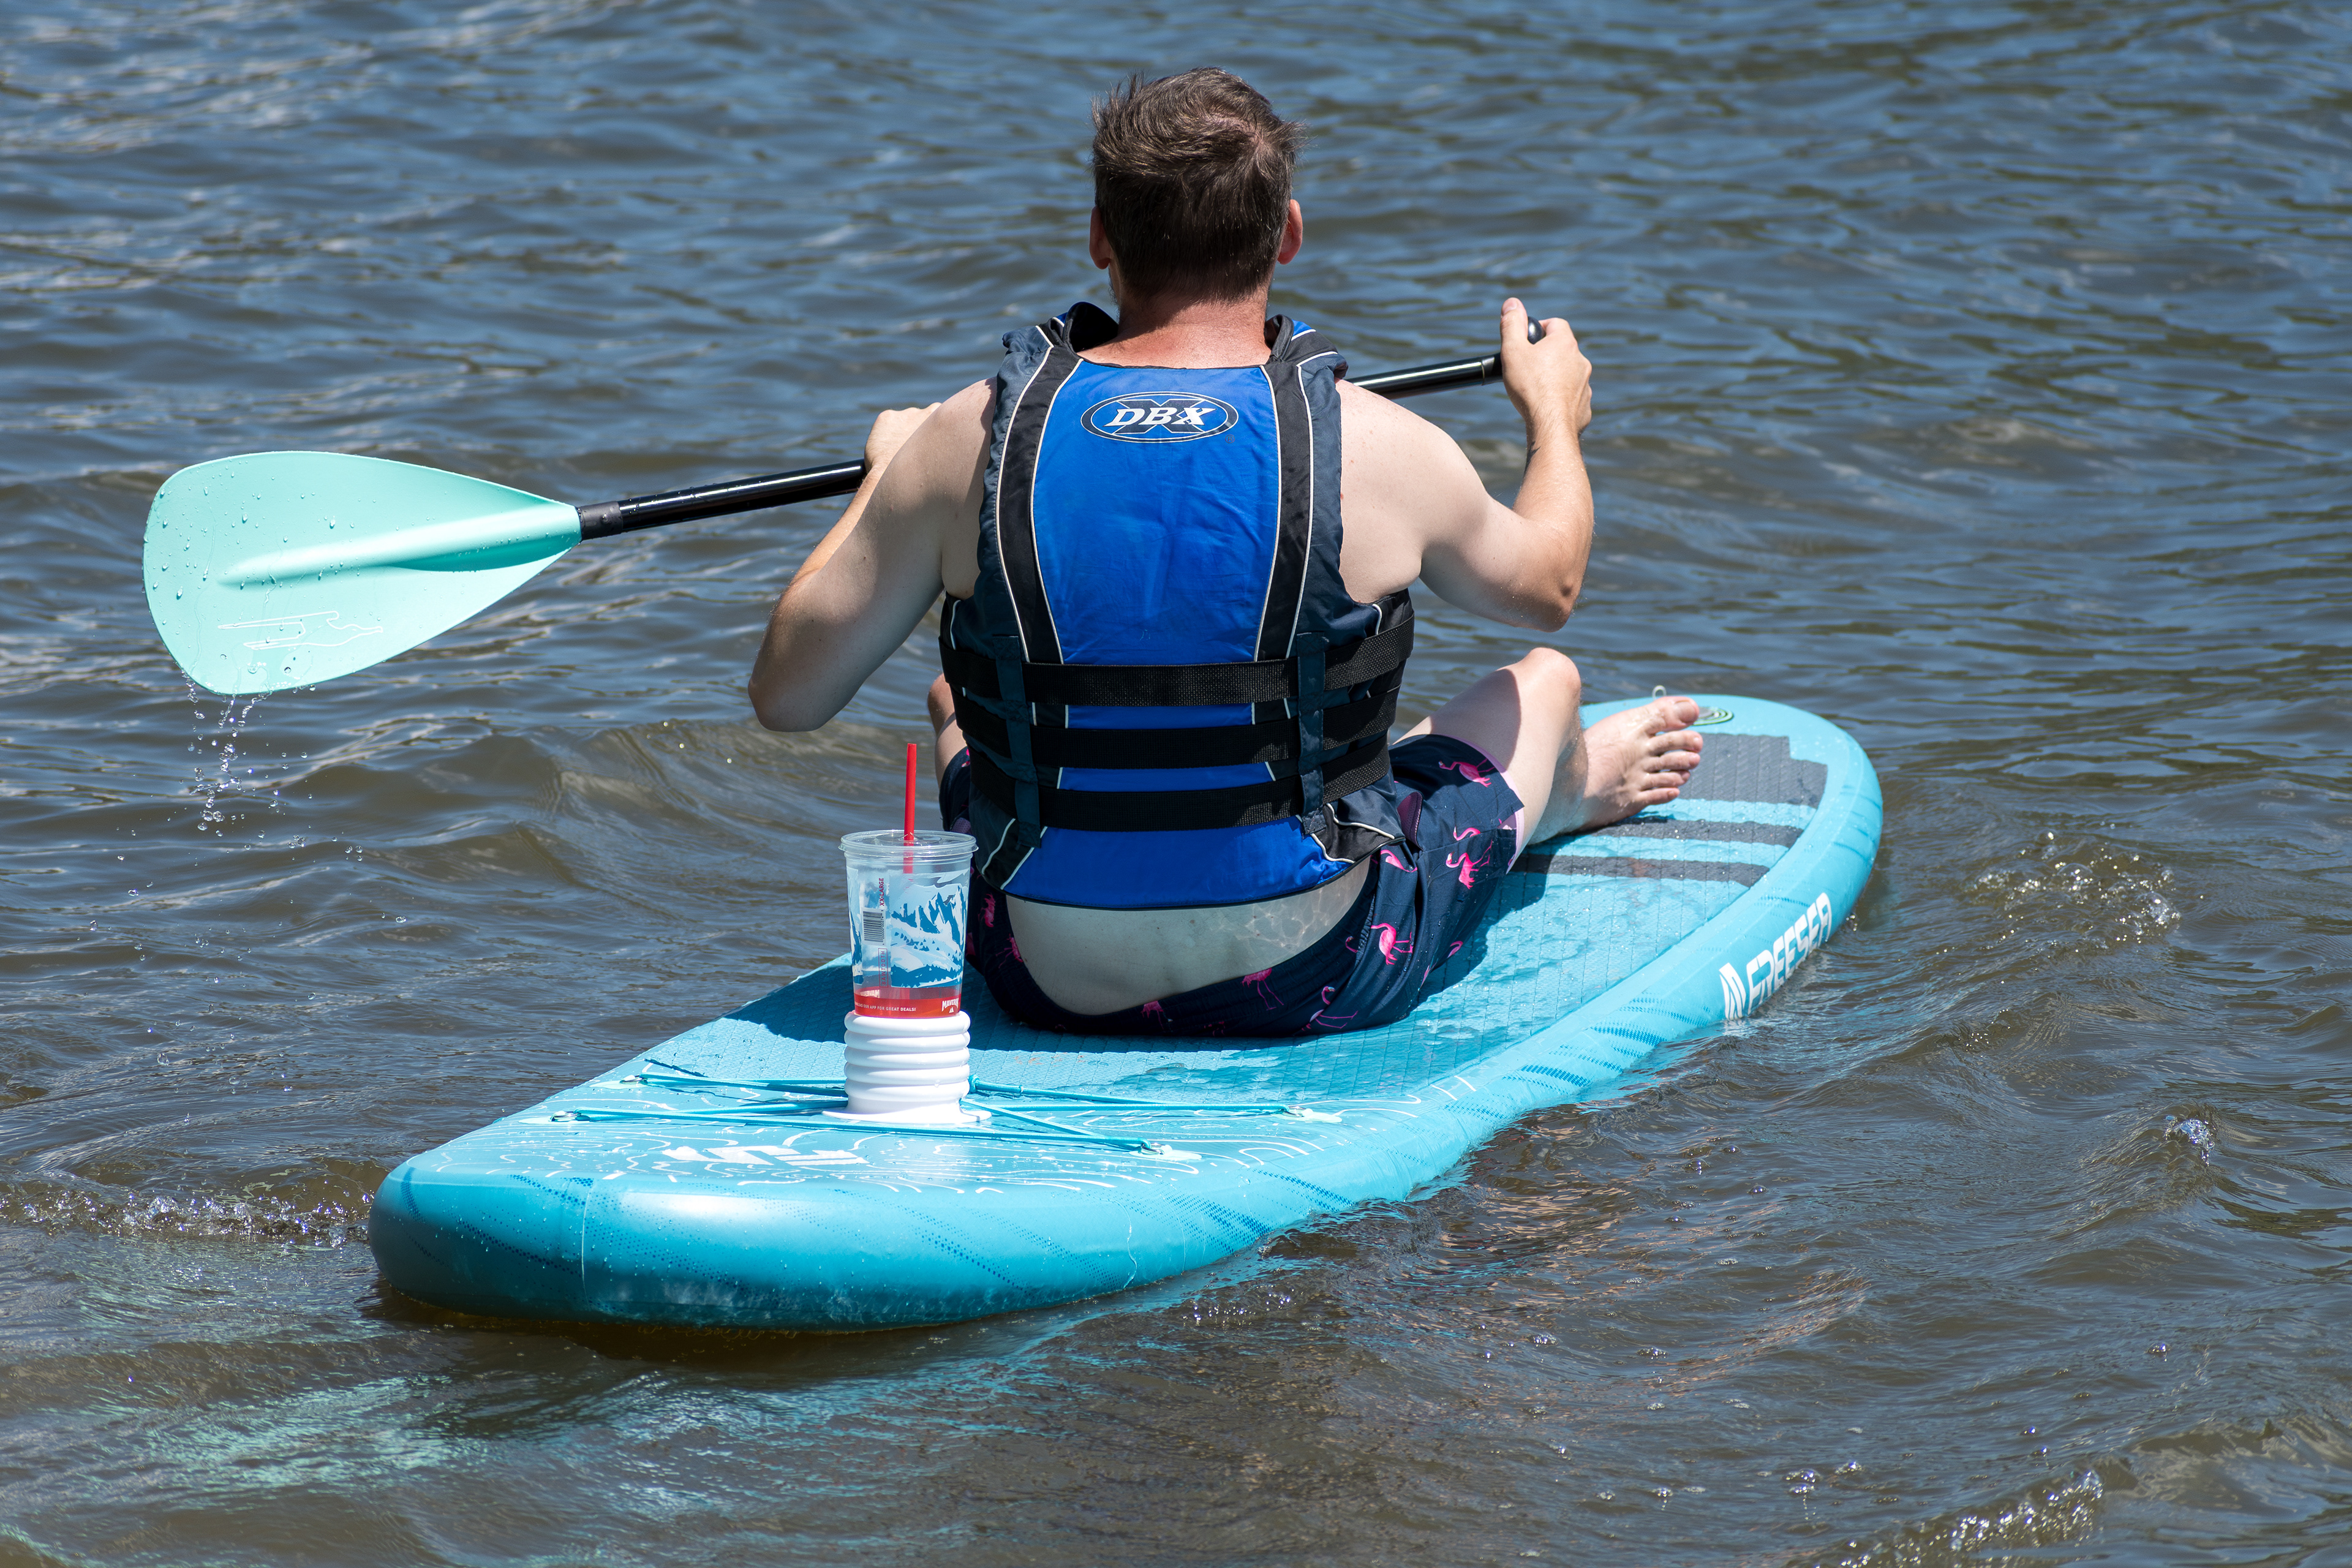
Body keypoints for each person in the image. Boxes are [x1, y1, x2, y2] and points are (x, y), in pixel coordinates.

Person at [749, 67, 1702, 1036]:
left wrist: (887, 477)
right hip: (1311, 968)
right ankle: (1548, 801)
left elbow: (789, 698)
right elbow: (1551, 584)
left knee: (965, 710)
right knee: (1543, 681)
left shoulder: (964, 439)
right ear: (1287, 233)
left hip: (1047, 974)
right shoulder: (1378, 445)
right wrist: (1554, 415)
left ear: (1099, 240)